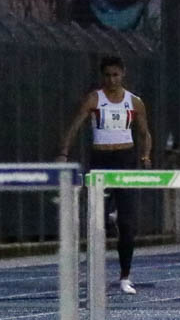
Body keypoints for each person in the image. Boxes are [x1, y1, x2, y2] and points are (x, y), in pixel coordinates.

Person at [56, 54, 153, 295]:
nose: (111, 80)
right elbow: (74, 127)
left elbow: (144, 133)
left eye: (115, 75)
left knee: (128, 224)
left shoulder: (134, 102)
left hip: (125, 159)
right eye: (107, 76)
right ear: (102, 76)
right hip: (101, 159)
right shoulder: (94, 99)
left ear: (123, 74)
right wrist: (63, 153)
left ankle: (125, 276)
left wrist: (145, 156)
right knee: (96, 221)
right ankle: (94, 272)